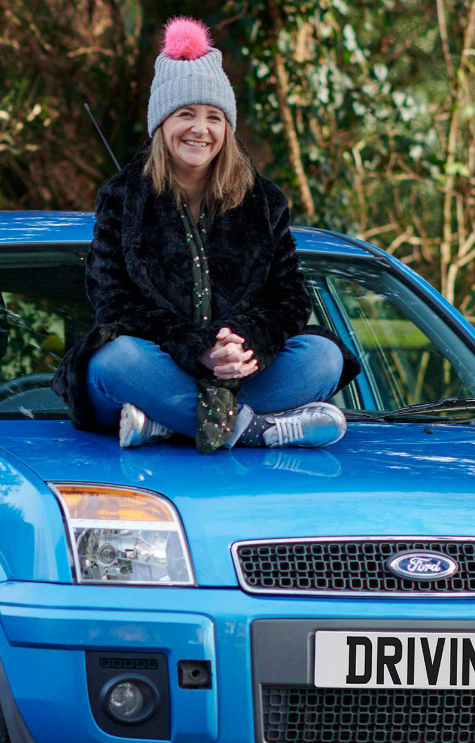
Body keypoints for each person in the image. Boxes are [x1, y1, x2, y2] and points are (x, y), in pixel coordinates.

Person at [51, 16, 360, 453]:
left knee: (323, 357)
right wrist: (194, 347)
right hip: (156, 371)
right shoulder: (122, 197)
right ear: (162, 122)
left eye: (214, 116)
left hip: (240, 375)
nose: (200, 129)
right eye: (186, 114)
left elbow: (288, 297)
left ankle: (167, 424)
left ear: (226, 128)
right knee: (112, 360)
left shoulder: (264, 201)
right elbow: (112, 300)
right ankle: (252, 429)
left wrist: (246, 344)